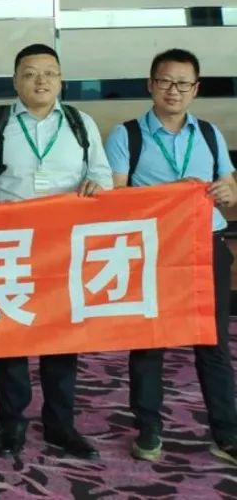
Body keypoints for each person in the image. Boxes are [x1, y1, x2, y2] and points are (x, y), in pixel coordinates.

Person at [0, 43, 112, 460]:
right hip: (9, 247)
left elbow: (102, 176)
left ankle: (60, 425)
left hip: (65, 248)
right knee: (12, 337)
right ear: (15, 81)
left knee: (62, 339)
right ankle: (11, 424)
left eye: (50, 73)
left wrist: (98, 186)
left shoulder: (81, 123)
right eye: (30, 73)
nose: (41, 81)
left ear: (61, 80)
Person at [103, 48, 237, 465]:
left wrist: (229, 193)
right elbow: (115, 198)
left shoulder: (210, 134)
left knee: (213, 342)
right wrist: (171, 195)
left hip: (205, 246)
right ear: (151, 85)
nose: (173, 90)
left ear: (195, 89)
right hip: (153, 250)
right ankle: (149, 430)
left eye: (182, 83)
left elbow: (230, 189)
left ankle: (227, 435)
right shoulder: (126, 135)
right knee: (150, 341)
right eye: (164, 81)